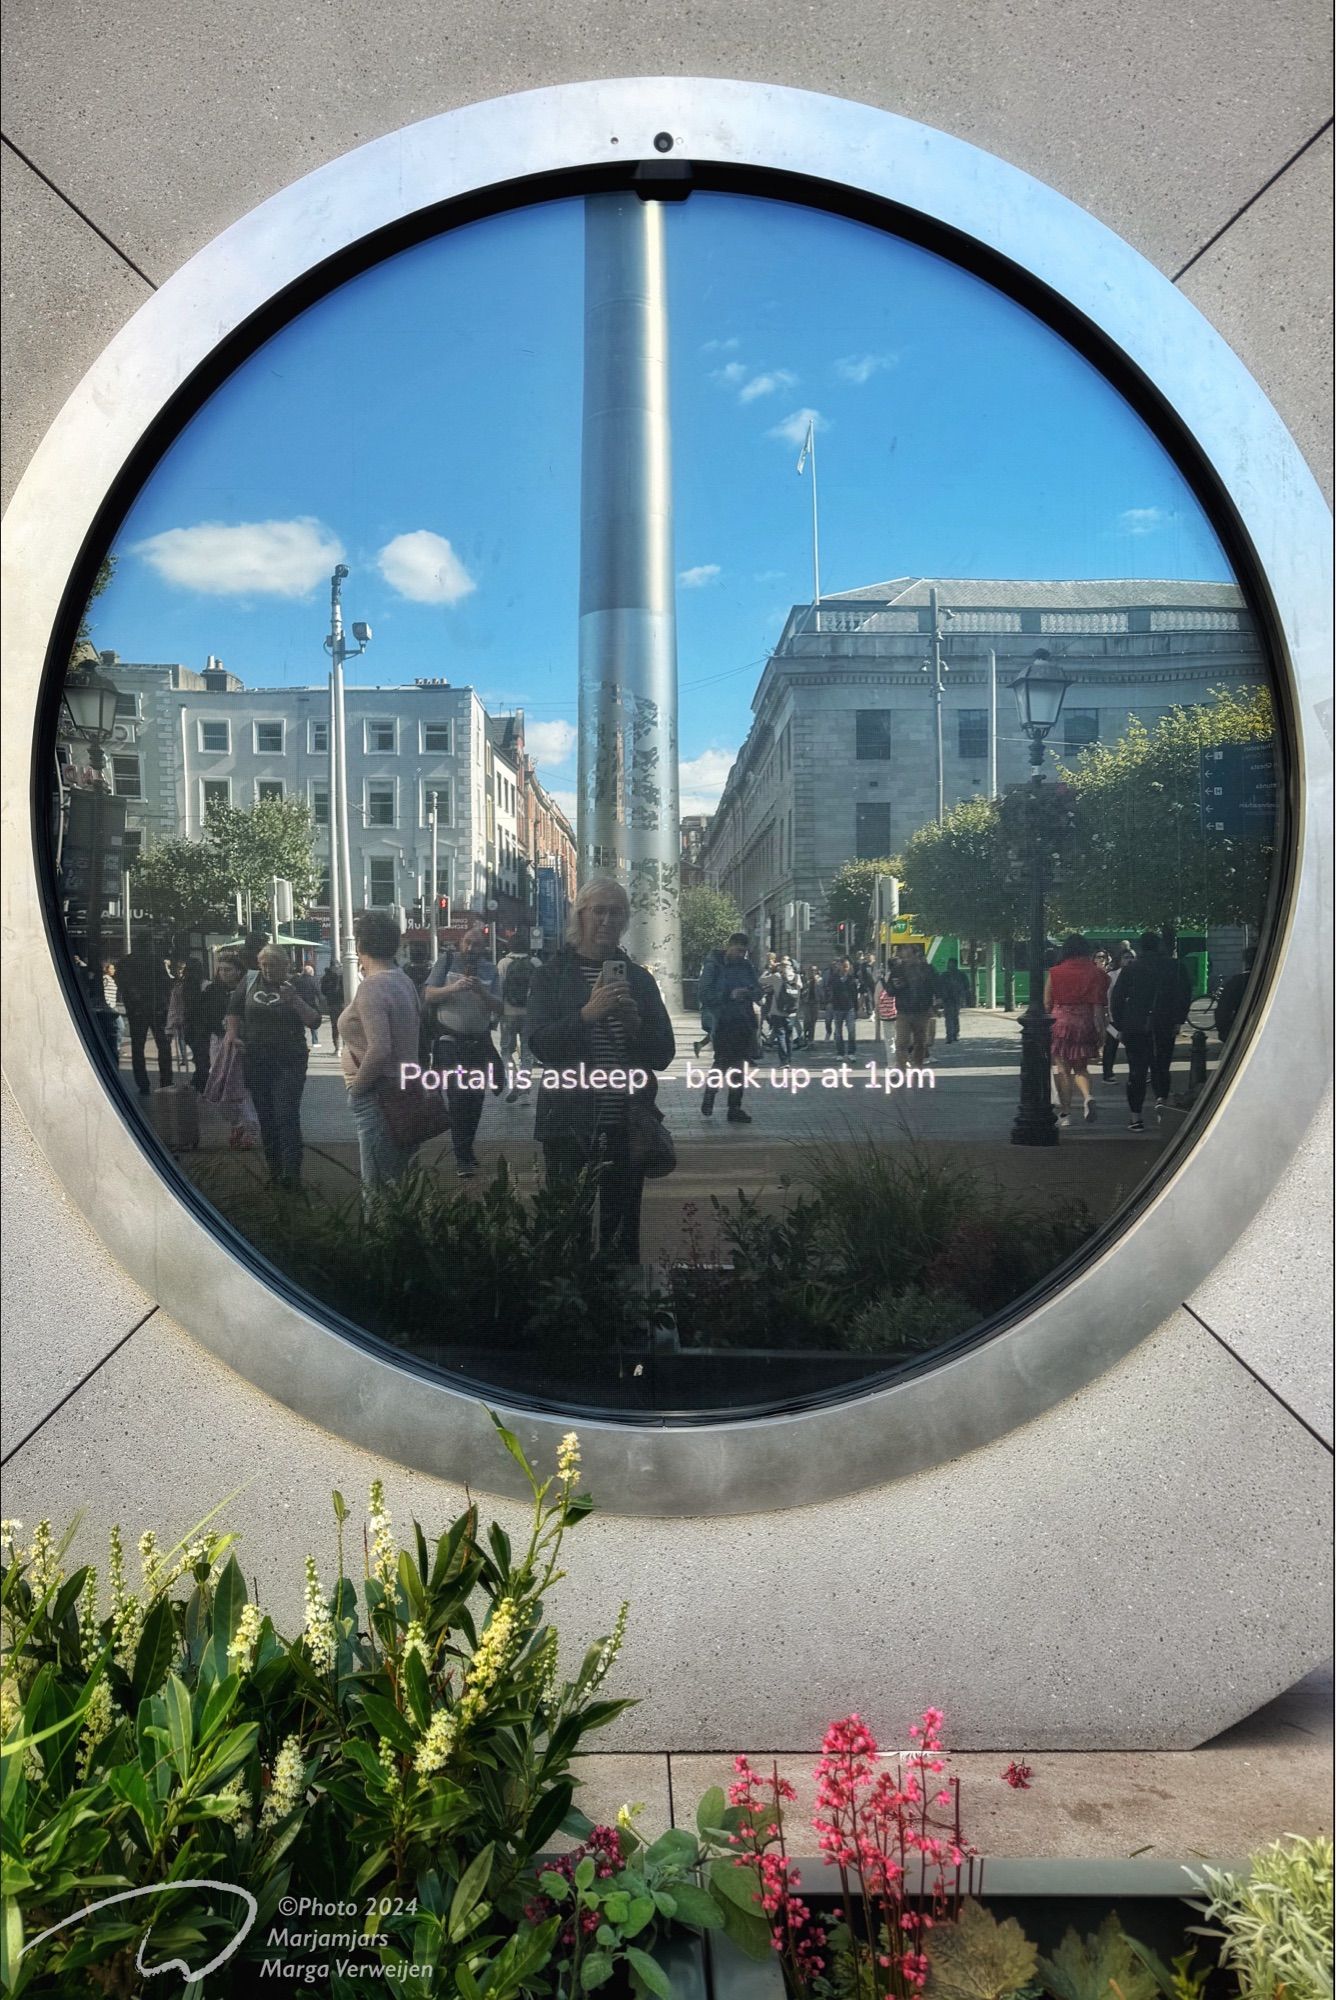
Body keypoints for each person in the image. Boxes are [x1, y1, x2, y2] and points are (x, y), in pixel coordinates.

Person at [526, 876, 675, 1262]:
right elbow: (539, 1045)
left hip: (627, 1124)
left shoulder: (639, 980)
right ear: (581, 916)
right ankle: (571, 1308)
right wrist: (587, 1016)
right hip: (568, 1121)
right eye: (599, 911)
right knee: (567, 1222)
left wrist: (636, 1028)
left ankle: (619, 1307)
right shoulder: (550, 975)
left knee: (621, 1227)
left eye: (617, 912)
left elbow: (663, 1054)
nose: (608, 920)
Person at [339, 910, 424, 1195]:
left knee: (376, 1188)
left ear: (360, 946)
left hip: (379, 1095)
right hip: (404, 1091)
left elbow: (380, 1048)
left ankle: (380, 1237)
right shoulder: (403, 980)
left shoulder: (372, 988)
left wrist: (357, 1090)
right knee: (398, 1183)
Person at [224, 943, 320, 1186]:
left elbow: (315, 1021)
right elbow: (234, 1010)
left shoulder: (297, 985)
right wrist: (233, 1034)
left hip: (289, 1060)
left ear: (285, 966)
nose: (267, 970)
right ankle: (274, 1171)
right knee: (266, 1116)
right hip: (256, 1059)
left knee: (285, 1115)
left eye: (273, 966)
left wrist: (295, 1001)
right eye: (264, 965)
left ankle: (291, 1174)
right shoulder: (250, 981)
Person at [423, 924, 504, 1178]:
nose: (471, 948)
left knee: (475, 1100)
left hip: (478, 1044)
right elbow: (428, 995)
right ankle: (462, 1157)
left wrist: (481, 991)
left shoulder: (491, 971)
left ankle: (466, 1149)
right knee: (458, 1099)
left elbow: (499, 1007)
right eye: (467, 942)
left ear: (484, 948)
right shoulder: (445, 962)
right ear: (460, 943)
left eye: (476, 944)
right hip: (450, 1042)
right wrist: (453, 988)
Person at [1109, 930, 1192, 1131]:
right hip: (1164, 1024)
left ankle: (1135, 1118)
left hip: (1135, 1026)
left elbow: (1117, 999)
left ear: (1140, 947)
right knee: (1161, 1066)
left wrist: (1120, 1025)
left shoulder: (1131, 969)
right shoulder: (1175, 967)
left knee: (1136, 1072)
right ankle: (1161, 1104)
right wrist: (1178, 1020)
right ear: (1160, 946)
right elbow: (1185, 994)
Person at [1044, 935, 1110, 1126]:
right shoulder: (1097, 974)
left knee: (1063, 1069)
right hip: (1085, 1022)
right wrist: (1101, 1030)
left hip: (1061, 1022)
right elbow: (1098, 1006)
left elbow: (1047, 1002)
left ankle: (1065, 1114)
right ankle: (1088, 1096)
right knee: (1081, 1067)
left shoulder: (1055, 972)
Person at [698, 932, 762, 1121]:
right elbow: (704, 994)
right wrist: (729, 995)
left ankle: (734, 1108)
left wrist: (750, 993)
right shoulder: (713, 966)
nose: (741, 955)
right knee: (722, 1062)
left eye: (744, 952)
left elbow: (757, 990)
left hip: (743, 1021)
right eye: (738, 950)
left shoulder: (747, 966)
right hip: (723, 1021)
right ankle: (710, 1095)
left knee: (740, 1066)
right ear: (729, 946)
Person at [115, 941, 173, 1096]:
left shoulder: (125, 962)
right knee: (163, 1045)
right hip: (156, 1008)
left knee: (138, 1046)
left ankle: (143, 1083)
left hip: (136, 1010)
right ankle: (166, 1080)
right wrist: (165, 1002)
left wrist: (132, 999)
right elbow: (166, 983)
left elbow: (121, 983)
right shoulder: (155, 960)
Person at [495, 929, 537, 1101]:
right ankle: (524, 1082)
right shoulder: (535, 962)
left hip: (508, 1013)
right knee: (528, 1052)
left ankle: (514, 1080)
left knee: (506, 1050)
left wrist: (495, 1015)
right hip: (529, 1014)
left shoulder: (503, 963)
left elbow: (498, 990)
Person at [885, 945, 940, 1069]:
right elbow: (890, 991)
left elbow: (936, 986)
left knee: (920, 1042)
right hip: (903, 1011)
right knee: (902, 1042)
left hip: (922, 1011)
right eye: (904, 954)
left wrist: (937, 1002)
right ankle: (901, 1068)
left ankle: (917, 1067)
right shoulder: (898, 970)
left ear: (916, 954)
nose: (905, 956)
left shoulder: (927, 969)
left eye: (908, 953)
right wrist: (895, 987)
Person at [166, 957, 210, 1090]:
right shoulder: (207, 986)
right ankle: (202, 1082)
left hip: (189, 1027)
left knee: (199, 1056)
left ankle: (199, 1080)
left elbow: (174, 1009)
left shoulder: (180, 988)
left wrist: (169, 1029)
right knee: (205, 1056)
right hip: (206, 1027)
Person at [1101, 947, 1135, 1080]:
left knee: (1133, 1045)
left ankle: (1135, 1073)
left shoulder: (1138, 974)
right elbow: (1108, 996)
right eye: (1126, 958)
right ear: (1119, 960)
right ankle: (1107, 1073)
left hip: (1131, 1016)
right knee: (1111, 1045)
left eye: (1132, 957)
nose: (1130, 960)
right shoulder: (1111, 976)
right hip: (1114, 1015)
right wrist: (1108, 1014)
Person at [1214, 945, 1257, 1042]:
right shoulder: (1270, 981)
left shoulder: (1237, 981)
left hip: (1240, 1031)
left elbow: (1223, 1010)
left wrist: (1225, 1031)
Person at [825, 955, 861, 1056]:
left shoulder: (852, 979)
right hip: (837, 1008)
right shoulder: (834, 978)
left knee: (851, 1031)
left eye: (847, 966)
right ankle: (840, 1053)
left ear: (849, 967)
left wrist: (856, 1009)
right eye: (843, 966)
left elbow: (855, 995)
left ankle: (851, 1052)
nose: (845, 968)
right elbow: (829, 991)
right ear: (840, 966)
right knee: (838, 1032)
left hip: (849, 1008)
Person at [939, 958, 972, 1045]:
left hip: (948, 998)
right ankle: (954, 1034)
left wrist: (940, 997)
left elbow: (940, 987)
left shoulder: (944, 975)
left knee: (949, 1017)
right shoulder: (961, 975)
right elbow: (966, 987)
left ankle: (950, 1035)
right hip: (955, 998)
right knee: (954, 1016)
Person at [320, 962, 345, 1055]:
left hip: (332, 1003)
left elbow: (323, 990)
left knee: (334, 1026)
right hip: (343, 1003)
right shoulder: (344, 973)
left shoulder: (327, 976)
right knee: (345, 1026)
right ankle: (346, 1047)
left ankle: (337, 1048)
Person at [797, 964, 822, 1050]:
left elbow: (821, 991)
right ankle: (806, 1039)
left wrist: (816, 982)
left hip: (815, 1002)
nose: (812, 972)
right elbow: (801, 990)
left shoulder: (819, 979)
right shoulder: (804, 979)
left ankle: (811, 1040)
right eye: (811, 970)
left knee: (813, 1021)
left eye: (814, 970)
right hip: (807, 1002)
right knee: (807, 1021)